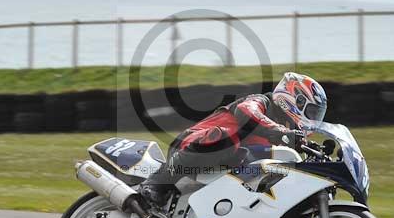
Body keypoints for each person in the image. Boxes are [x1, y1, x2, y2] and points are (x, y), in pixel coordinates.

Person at [140, 72, 328, 205]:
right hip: (193, 144)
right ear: (296, 99)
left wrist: (310, 149)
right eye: (311, 112)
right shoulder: (262, 102)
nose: (312, 119)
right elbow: (247, 112)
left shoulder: (284, 134)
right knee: (227, 139)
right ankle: (156, 182)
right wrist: (280, 132)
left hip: (226, 167)